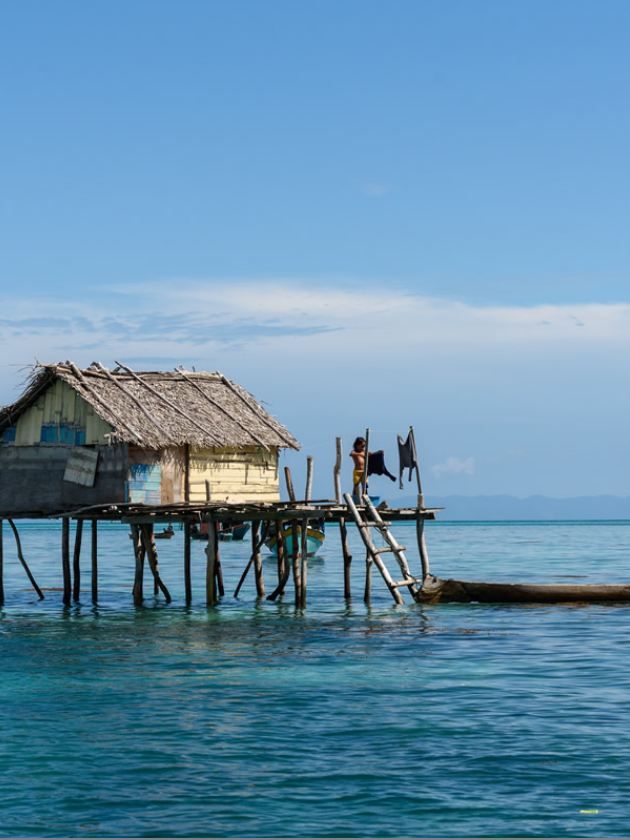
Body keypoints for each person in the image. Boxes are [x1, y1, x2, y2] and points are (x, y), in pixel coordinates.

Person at [350, 436, 367, 502]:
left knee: (364, 485)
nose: (363, 447)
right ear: (357, 445)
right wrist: (360, 454)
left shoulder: (364, 452)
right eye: (362, 446)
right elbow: (351, 454)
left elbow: (370, 454)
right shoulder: (354, 451)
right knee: (356, 485)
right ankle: (354, 499)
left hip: (364, 471)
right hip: (357, 471)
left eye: (364, 446)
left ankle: (364, 499)